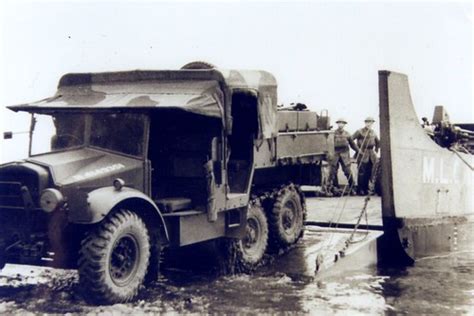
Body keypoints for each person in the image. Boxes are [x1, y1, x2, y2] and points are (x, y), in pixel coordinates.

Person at [328, 118, 359, 196]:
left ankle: (352, 189)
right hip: (335, 154)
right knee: (333, 172)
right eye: (339, 123)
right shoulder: (333, 133)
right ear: (337, 124)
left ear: (344, 124)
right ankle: (335, 189)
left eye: (342, 123)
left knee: (347, 171)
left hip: (345, 154)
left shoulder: (347, 134)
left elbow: (353, 144)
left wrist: (359, 151)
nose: (340, 124)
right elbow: (328, 144)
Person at [353, 117, 380, 195]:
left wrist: (376, 150)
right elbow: (351, 140)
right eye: (368, 122)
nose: (369, 124)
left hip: (371, 154)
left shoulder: (373, 132)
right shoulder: (359, 131)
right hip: (362, 153)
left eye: (371, 122)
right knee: (361, 172)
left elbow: (378, 142)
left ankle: (366, 188)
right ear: (365, 123)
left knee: (369, 172)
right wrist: (358, 150)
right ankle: (360, 189)